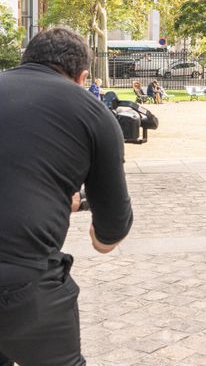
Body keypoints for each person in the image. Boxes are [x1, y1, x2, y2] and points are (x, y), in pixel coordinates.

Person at [0, 27, 133, 366]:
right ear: (82, 76)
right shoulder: (93, 112)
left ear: (26, 61)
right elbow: (110, 232)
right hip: (23, 283)